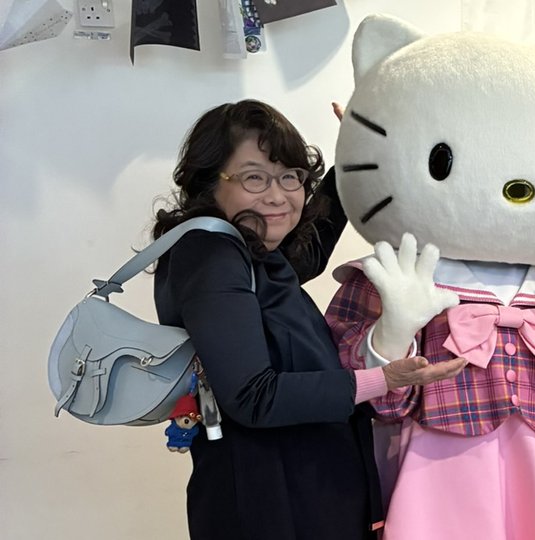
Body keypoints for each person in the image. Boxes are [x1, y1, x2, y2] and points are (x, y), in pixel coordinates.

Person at [152, 99, 465, 539]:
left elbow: (308, 252)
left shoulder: (255, 255)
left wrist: (357, 154)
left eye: (290, 176)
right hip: (269, 502)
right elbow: (253, 396)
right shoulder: (211, 255)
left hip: (304, 487)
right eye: (254, 177)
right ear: (209, 183)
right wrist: (383, 380)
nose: (278, 195)